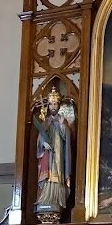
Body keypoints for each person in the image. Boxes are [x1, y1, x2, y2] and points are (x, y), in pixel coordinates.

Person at [33, 87, 72, 215]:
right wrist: (44, 143)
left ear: (59, 105)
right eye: (51, 104)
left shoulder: (62, 120)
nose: (53, 107)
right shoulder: (46, 121)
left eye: (55, 104)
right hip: (48, 155)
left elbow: (67, 138)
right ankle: (46, 198)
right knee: (48, 176)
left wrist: (61, 126)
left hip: (58, 154)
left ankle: (56, 199)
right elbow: (40, 138)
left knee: (57, 174)